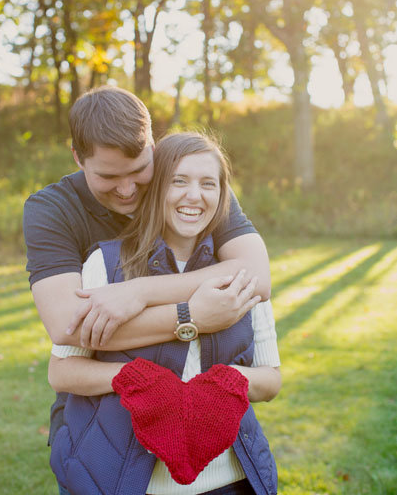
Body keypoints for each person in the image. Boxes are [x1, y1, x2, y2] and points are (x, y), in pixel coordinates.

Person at [48, 132, 281, 495]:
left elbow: (271, 379)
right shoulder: (106, 265)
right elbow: (61, 373)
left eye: (208, 184)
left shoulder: (241, 274)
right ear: (157, 188)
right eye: (179, 181)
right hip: (123, 478)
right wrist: (132, 379)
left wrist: (227, 384)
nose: (194, 195)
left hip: (229, 480)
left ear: (222, 196)